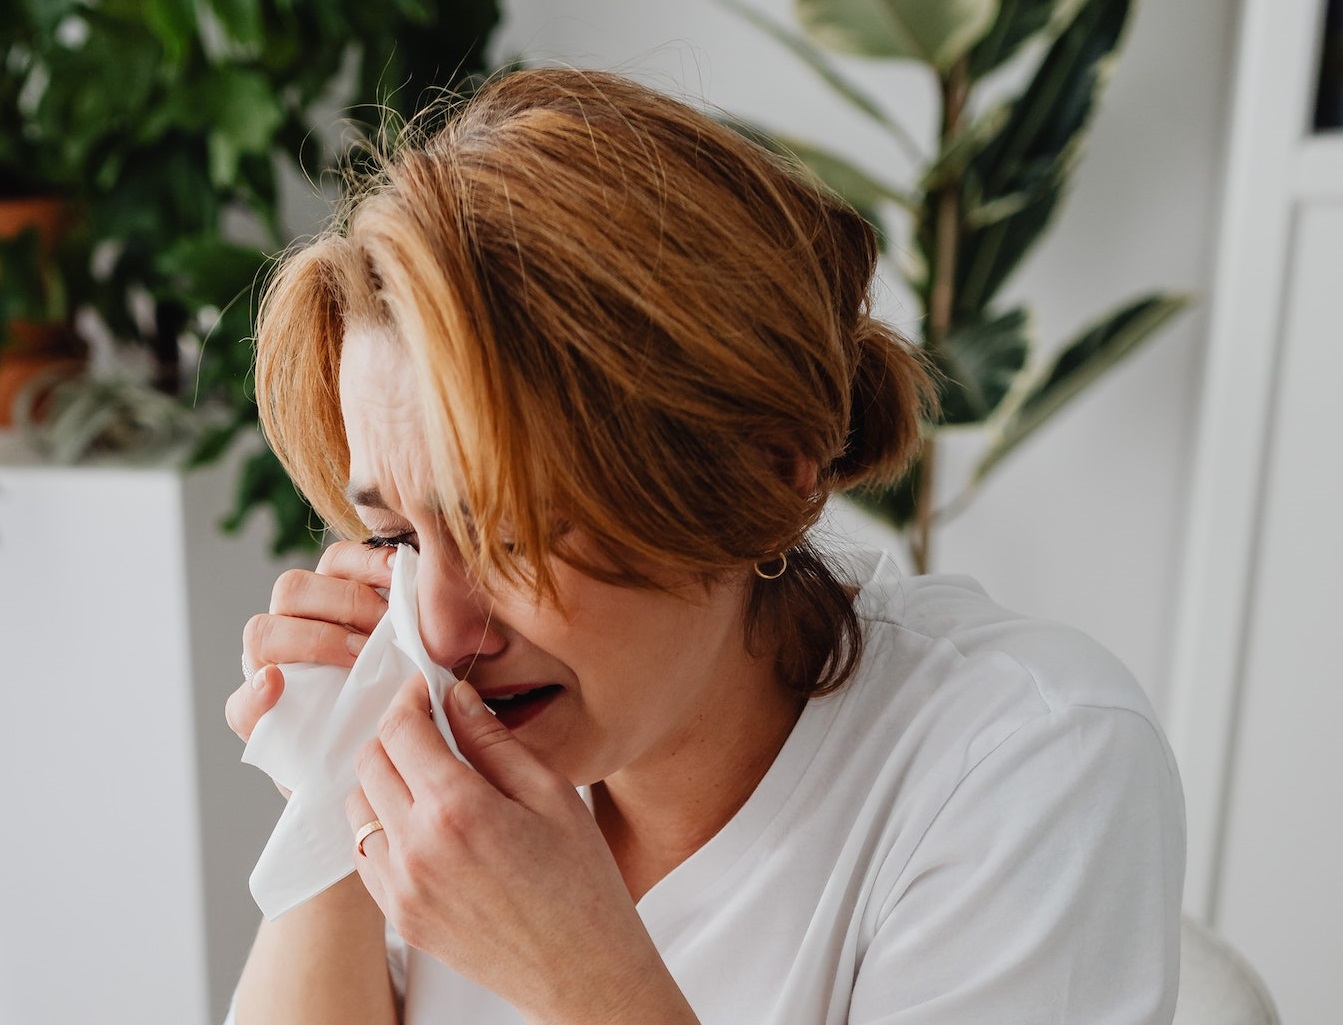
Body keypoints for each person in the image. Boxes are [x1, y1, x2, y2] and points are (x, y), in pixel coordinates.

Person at [223, 68, 1185, 1024]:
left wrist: (579, 972)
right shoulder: (442, 739)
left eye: (510, 529)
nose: (436, 625)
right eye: (396, 533)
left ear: (769, 474)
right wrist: (337, 777)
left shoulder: (1026, 763)